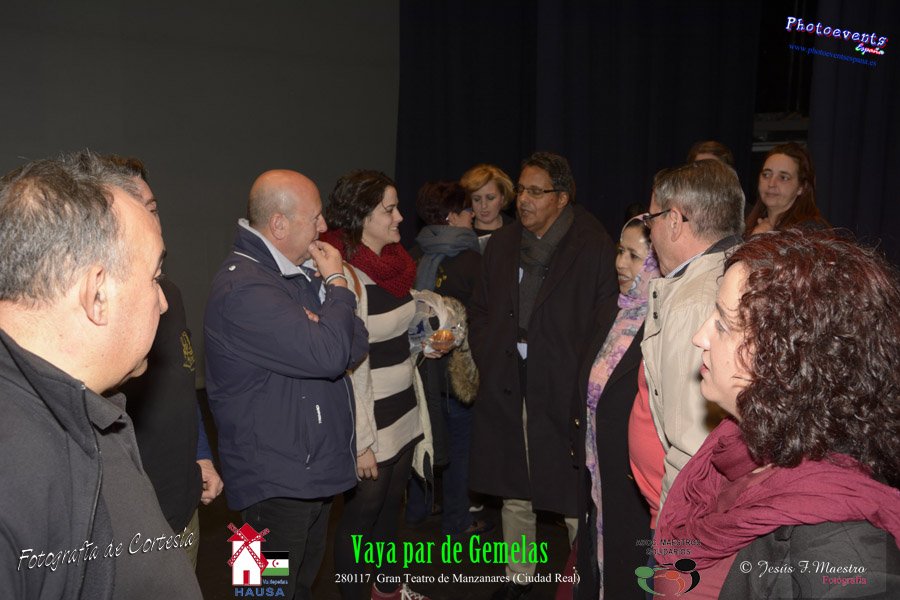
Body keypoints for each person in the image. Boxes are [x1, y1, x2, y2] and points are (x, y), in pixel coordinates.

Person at [654, 230, 900, 598]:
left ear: (790, 357)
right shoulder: (739, 448)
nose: (699, 337)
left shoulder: (842, 535)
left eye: (723, 324)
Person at [0, 151, 202, 599]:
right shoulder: (14, 473)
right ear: (97, 296)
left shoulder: (82, 402)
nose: (162, 302)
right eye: (155, 277)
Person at [204, 169, 367, 600]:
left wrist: (325, 323)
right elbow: (331, 354)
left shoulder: (291, 275)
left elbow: (354, 344)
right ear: (279, 224)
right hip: (270, 483)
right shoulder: (244, 287)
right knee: (261, 593)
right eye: (315, 218)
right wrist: (337, 285)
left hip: (306, 474)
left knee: (297, 588)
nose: (323, 227)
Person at [468, 151, 618, 600]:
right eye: (522, 190)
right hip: (509, 378)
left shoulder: (592, 245)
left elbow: (604, 320)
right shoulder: (503, 243)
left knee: (571, 486)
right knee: (514, 481)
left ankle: (584, 573)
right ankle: (518, 572)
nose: (524, 199)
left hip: (563, 384)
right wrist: (490, 350)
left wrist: (580, 374)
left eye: (536, 191)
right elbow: (481, 309)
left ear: (562, 198)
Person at [321, 170, 432, 600]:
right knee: (359, 522)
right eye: (389, 209)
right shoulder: (343, 274)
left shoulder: (397, 265)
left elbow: (394, 333)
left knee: (389, 514)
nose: (400, 217)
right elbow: (342, 367)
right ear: (363, 216)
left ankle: (387, 590)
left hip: (403, 407)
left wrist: (425, 342)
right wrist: (360, 441)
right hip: (371, 418)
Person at [109, 156, 223, 568]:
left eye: (153, 208)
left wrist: (201, 454)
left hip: (182, 505)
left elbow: (181, 387)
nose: (153, 220)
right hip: (132, 525)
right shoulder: (98, 316)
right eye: (141, 209)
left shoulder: (168, 295)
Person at [639, 159, 745, 513]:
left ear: (673, 221)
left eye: (651, 219)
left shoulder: (694, 303)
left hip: (687, 513)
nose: (649, 233)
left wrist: (673, 536)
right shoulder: (736, 270)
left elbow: (693, 451)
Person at [574, 216, 659, 599]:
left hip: (633, 481)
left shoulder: (662, 324)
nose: (620, 263)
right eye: (620, 251)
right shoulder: (610, 309)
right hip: (597, 467)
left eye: (634, 256)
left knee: (629, 570)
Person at [405, 180, 489, 538]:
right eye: (468, 209)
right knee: (459, 449)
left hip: (417, 372)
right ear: (453, 216)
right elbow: (483, 318)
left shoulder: (413, 254)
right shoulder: (472, 260)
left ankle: (417, 510)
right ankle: (457, 521)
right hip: (456, 374)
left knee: (420, 441)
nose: (474, 215)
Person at [745, 142, 828, 236]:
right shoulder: (746, 224)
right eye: (766, 175)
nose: (771, 184)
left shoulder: (810, 231)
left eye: (783, 177)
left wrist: (758, 239)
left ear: (802, 187)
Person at [460, 163, 516, 247]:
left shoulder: (516, 231)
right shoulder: (461, 232)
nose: (483, 205)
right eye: (477, 199)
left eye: (490, 198)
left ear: (502, 198)